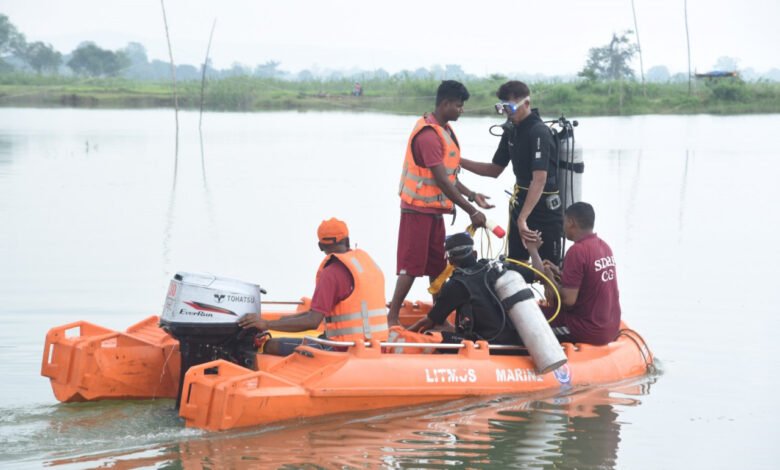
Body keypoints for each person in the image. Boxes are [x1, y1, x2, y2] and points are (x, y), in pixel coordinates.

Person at [387, 80, 493, 327]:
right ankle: (392, 318)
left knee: (438, 266)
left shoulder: (445, 130)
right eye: (458, 105)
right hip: (417, 211)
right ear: (445, 104)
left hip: (434, 211)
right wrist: (472, 211)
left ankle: (438, 317)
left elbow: (450, 176)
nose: (461, 110)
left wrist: (472, 194)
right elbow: (442, 182)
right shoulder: (428, 137)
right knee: (411, 266)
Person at [238, 218, 388, 356]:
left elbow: (313, 320)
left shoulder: (331, 273)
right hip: (376, 346)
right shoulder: (367, 265)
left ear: (320, 246)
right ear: (347, 240)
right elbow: (314, 313)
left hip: (342, 348)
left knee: (270, 345)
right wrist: (278, 320)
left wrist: (266, 324)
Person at [460, 80, 563, 271]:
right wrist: (457, 160)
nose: (507, 112)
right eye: (502, 108)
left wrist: (523, 219)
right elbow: (494, 170)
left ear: (526, 103)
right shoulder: (511, 130)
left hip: (544, 207)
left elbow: (539, 180)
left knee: (550, 268)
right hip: (520, 203)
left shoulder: (539, 132)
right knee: (515, 264)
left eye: (510, 107)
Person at [404, 232, 521, 350]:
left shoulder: (456, 284)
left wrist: (404, 333)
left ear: (450, 261)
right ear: (475, 254)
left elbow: (428, 322)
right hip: (518, 341)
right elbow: (532, 273)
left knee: (432, 335)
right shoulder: (495, 269)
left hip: (488, 345)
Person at [526, 202, 621, 345]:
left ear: (571, 222)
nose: (563, 226)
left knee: (526, 316)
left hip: (588, 330)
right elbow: (587, 281)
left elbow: (568, 300)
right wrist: (559, 273)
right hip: (611, 327)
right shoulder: (604, 246)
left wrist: (549, 278)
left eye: (564, 221)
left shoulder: (577, 251)